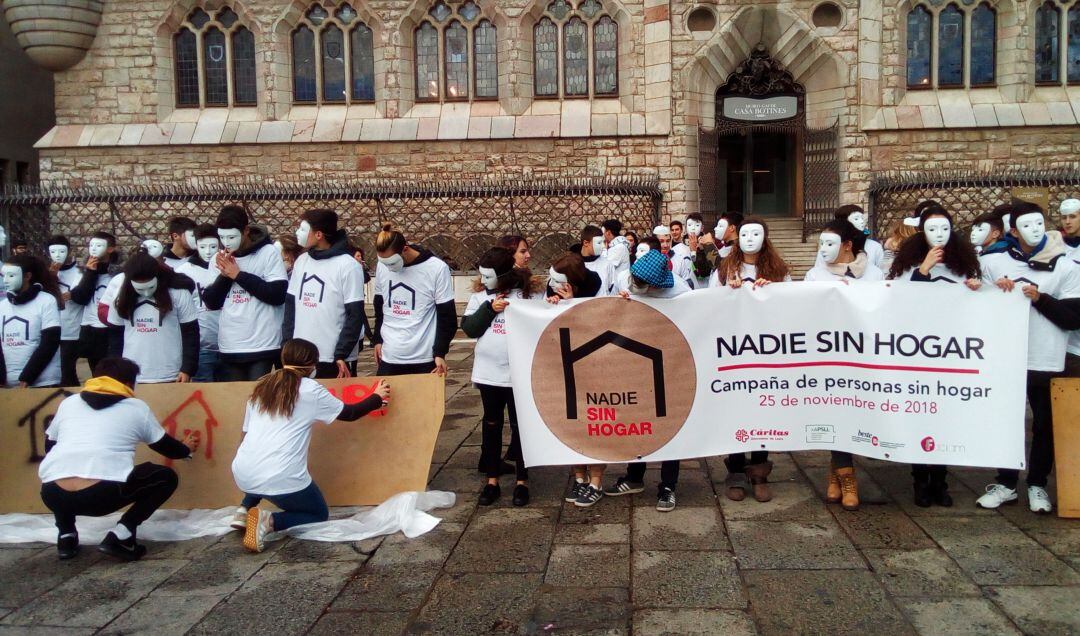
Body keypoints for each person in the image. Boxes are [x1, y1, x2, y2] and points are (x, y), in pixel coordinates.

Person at [230, 339, 390, 552]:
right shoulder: (311, 390)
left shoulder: (261, 388)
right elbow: (350, 414)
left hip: (242, 471)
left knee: (262, 461)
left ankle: (244, 509)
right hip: (282, 477)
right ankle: (269, 521)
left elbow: (245, 435)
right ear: (312, 365)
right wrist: (377, 398)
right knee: (317, 514)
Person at [976, 202, 1080, 514]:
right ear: (1012, 230)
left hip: (1045, 357)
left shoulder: (1066, 266)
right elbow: (974, 302)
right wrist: (991, 291)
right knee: (1005, 420)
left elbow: (1073, 317)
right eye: (1027, 224)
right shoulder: (992, 261)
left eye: (1040, 223)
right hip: (1005, 356)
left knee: (1044, 423)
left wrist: (1040, 298)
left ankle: (1037, 484)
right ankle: (1006, 483)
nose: (1035, 230)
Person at [39, 357, 198, 560]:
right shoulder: (135, 407)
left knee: (61, 469)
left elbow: (49, 445)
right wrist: (185, 449)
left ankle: (66, 536)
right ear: (130, 384)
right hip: (100, 496)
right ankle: (122, 534)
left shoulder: (69, 403)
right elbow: (164, 446)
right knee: (165, 477)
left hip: (52, 494)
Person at [888, 204, 982, 507]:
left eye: (944, 229)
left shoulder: (963, 264)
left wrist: (976, 289)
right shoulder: (908, 263)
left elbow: (979, 303)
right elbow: (902, 301)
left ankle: (940, 481)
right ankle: (920, 480)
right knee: (919, 416)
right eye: (932, 230)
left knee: (943, 417)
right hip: (917, 352)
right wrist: (924, 269)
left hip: (950, 354)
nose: (939, 236)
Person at [602, 249, 692, 512]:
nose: (635, 287)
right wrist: (618, 305)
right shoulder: (622, 280)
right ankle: (634, 476)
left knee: (670, 425)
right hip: (635, 365)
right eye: (634, 281)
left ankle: (668, 486)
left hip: (671, 366)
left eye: (642, 285)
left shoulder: (680, 291)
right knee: (637, 421)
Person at [804, 217, 884, 511]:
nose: (823, 249)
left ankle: (836, 474)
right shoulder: (815, 275)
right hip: (828, 357)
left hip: (863, 356)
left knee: (856, 415)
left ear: (848, 245)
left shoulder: (873, 275)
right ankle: (847, 477)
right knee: (837, 413)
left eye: (830, 243)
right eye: (821, 243)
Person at [710, 218, 791, 503]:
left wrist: (773, 291)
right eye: (745, 233)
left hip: (765, 351)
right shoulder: (724, 268)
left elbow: (790, 304)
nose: (750, 239)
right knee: (737, 409)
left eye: (756, 233)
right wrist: (727, 292)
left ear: (765, 237)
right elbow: (709, 302)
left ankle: (759, 470)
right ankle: (734, 469)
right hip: (734, 349)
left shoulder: (778, 270)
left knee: (762, 409)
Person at [462, 247, 538, 507]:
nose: (483, 281)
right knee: (491, 424)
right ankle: (492, 480)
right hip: (489, 373)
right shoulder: (480, 297)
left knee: (521, 427)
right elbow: (470, 328)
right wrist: (489, 309)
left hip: (518, 374)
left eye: (488, 276)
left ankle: (522, 481)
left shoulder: (527, 294)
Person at [545, 252, 608, 504]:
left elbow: (598, 327)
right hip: (564, 366)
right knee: (571, 422)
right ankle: (579, 477)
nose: (553, 285)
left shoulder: (598, 288)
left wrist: (573, 304)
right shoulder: (554, 289)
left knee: (594, 423)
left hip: (593, 368)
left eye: (557, 281)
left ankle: (596, 481)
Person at [201, 205, 289, 381]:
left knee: (256, 397)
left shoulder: (268, 253)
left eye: (232, 236)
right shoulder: (218, 259)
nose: (227, 242)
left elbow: (277, 295)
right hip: (230, 344)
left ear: (246, 231)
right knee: (234, 401)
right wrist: (225, 275)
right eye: (222, 237)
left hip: (262, 343)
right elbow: (212, 302)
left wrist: (238, 275)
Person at [283, 209, 366, 379]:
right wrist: (286, 345)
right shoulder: (302, 261)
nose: (297, 233)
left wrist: (341, 353)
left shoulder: (348, 265)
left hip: (331, 357)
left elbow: (354, 315)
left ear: (319, 234)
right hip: (300, 356)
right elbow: (290, 308)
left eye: (303, 229)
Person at [371, 224, 455, 376]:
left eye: (392, 262)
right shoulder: (382, 266)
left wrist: (440, 352)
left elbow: (447, 316)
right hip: (390, 355)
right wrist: (377, 339)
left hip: (423, 356)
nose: (388, 268)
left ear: (405, 249)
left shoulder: (436, 268)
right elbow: (380, 306)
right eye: (384, 263)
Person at [106, 251, 199, 384]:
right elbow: (115, 338)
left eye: (150, 287)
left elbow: (191, 333)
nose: (146, 292)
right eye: (140, 289)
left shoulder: (179, 293)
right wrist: (115, 371)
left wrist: (188, 369)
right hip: (131, 376)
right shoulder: (120, 299)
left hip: (172, 375)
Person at [0, 254, 62, 387]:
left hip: (41, 381)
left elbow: (50, 342)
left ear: (27, 276)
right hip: (9, 382)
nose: (5, 280)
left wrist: (28, 376)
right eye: (3, 275)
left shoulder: (46, 301)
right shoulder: (2, 306)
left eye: (11, 275)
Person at [175, 224, 222, 382]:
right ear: (196, 245)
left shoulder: (229, 267)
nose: (208, 252)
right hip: (201, 344)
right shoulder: (184, 272)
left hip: (229, 343)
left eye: (213, 246)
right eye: (202, 246)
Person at [71, 232, 118, 375]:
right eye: (91, 245)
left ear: (110, 249)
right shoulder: (82, 272)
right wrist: (90, 273)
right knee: (96, 373)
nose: (94, 249)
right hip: (91, 329)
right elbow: (80, 298)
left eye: (99, 245)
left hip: (112, 329)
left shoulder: (118, 274)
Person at [47, 236, 83, 386]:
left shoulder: (81, 271)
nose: (57, 255)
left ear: (70, 251)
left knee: (68, 370)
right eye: (53, 251)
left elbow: (82, 292)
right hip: (52, 328)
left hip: (74, 328)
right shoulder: (46, 272)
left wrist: (72, 295)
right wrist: (50, 277)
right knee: (57, 371)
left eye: (62, 251)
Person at [580, 225, 616, 296]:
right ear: (586, 243)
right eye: (599, 243)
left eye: (603, 242)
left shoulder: (607, 264)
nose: (603, 246)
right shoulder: (573, 265)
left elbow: (611, 288)